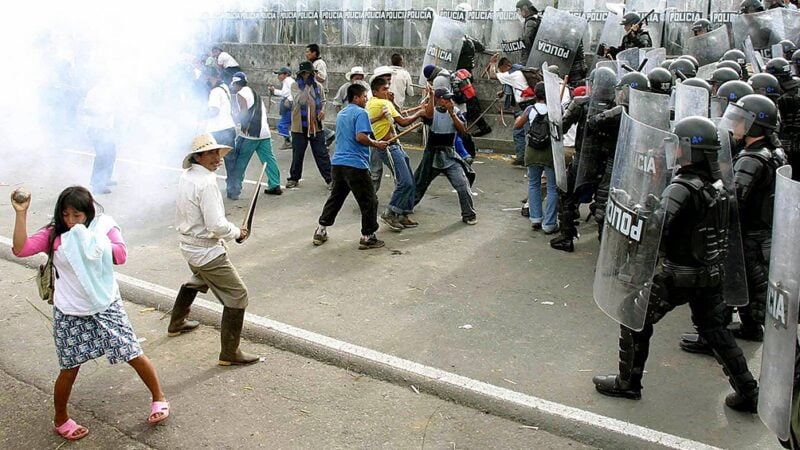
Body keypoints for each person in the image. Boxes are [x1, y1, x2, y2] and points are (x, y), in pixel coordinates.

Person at [593, 116, 760, 414]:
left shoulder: (682, 186)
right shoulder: (718, 184)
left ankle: (627, 382)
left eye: (679, 146)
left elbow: (656, 229)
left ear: (691, 149)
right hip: (710, 274)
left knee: (633, 315)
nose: (674, 151)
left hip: (677, 275)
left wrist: (640, 213)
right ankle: (749, 390)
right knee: (716, 331)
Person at [11, 186, 169, 441]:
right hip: (70, 312)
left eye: (77, 215)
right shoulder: (54, 235)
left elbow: (121, 255)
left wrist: (90, 240)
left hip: (106, 305)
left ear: (89, 213)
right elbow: (21, 249)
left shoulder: (104, 227)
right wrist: (21, 213)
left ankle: (159, 398)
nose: (71, 221)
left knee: (133, 353)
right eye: (66, 215)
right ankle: (60, 418)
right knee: (69, 368)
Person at [170, 133, 260, 366]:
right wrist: (237, 233)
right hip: (206, 251)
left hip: (189, 246)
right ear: (197, 157)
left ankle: (177, 323)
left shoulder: (187, 176)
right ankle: (230, 353)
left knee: (199, 279)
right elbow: (216, 225)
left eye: (217, 152)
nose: (217, 157)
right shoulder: (206, 183)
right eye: (210, 153)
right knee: (238, 295)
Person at [313, 83, 389, 250]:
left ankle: (321, 230)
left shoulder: (342, 114)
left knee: (336, 198)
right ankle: (368, 236)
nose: (366, 100)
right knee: (369, 200)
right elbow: (361, 136)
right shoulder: (361, 112)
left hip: (338, 164)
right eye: (364, 97)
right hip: (355, 165)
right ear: (356, 98)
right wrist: (376, 144)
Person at [366, 76, 424, 231]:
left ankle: (403, 214)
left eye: (388, 88)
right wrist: (421, 112)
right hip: (389, 147)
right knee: (404, 181)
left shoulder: (375, 103)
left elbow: (399, 113)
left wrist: (393, 103)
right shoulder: (381, 103)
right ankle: (390, 212)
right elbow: (403, 121)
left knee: (410, 180)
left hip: (395, 145)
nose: (387, 91)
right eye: (384, 89)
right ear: (375, 91)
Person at [414, 88, 477, 225]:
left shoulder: (456, 112)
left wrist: (452, 113)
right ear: (438, 99)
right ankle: (404, 208)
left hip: (449, 153)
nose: (449, 101)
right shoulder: (431, 111)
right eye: (445, 98)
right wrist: (431, 97)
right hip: (432, 154)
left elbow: (463, 131)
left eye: (450, 99)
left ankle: (468, 214)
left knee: (462, 184)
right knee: (419, 183)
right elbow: (428, 117)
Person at [230, 71, 282, 197]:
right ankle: (275, 185)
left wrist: (233, 117)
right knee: (269, 159)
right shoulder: (254, 92)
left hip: (250, 134)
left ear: (237, 84)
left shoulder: (240, 94)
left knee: (239, 160)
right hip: (264, 132)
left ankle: (235, 190)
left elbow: (244, 113)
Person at [550, 86, 590, 252]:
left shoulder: (582, 104)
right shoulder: (617, 107)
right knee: (603, 205)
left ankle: (567, 237)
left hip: (583, 159)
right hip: (606, 162)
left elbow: (562, 126)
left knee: (566, 194)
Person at [515, 82, 558, 234]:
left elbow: (517, 126)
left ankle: (535, 218)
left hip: (532, 150)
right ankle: (550, 223)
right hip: (549, 152)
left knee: (534, 184)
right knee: (552, 187)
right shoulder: (555, 110)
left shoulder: (530, 109)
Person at [288, 61, 332, 189]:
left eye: (308, 73)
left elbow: (323, 101)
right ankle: (294, 178)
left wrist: (323, 110)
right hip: (299, 125)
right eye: (304, 74)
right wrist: (306, 87)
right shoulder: (295, 86)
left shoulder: (319, 86)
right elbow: (300, 100)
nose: (306, 76)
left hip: (316, 125)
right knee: (298, 154)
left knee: (322, 153)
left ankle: (330, 179)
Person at [488, 54, 536, 165]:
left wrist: (492, 63)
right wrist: (504, 92)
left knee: (527, 132)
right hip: (526, 106)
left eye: (502, 70)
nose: (503, 73)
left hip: (527, 106)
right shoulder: (519, 71)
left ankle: (529, 159)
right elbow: (515, 85)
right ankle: (521, 157)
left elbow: (492, 75)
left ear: (507, 66)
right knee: (518, 131)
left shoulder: (512, 74)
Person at [202, 67, 238, 199]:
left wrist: (200, 115)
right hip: (228, 127)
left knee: (207, 160)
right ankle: (233, 190)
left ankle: (207, 190)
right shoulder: (224, 87)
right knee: (231, 161)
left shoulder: (215, 91)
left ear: (210, 77)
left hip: (217, 130)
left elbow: (214, 111)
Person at [79, 83, 117, 195]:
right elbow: (86, 110)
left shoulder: (109, 91)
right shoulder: (94, 92)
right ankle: (97, 184)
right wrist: (101, 113)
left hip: (106, 128)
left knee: (111, 153)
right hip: (96, 128)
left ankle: (105, 178)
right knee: (102, 155)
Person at [305, 43, 335, 147]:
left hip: (318, 93)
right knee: (313, 116)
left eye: (308, 52)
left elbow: (322, 77)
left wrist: (312, 73)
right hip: (313, 93)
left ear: (314, 53)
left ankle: (327, 134)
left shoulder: (320, 63)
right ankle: (324, 136)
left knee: (315, 116)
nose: (306, 54)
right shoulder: (312, 63)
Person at [269, 67, 295, 149]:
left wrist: (289, 99)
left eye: (280, 74)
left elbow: (296, 91)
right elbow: (285, 93)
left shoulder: (289, 80)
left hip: (290, 107)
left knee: (282, 125)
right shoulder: (286, 82)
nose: (278, 76)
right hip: (287, 106)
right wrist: (274, 91)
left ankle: (288, 142)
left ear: (286, 74)